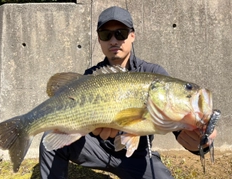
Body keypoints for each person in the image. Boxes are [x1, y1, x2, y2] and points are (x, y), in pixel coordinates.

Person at [39, 6, 217, 179]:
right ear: (99, 40)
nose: (114, 40)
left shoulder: (154, 74)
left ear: (132, 35)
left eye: (121, 33)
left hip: (136, 159)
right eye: (106, 35)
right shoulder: (91, 78)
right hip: (97, 151)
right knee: (51, 139)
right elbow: (82, 124)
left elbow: (180, 130)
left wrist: (200, 142)